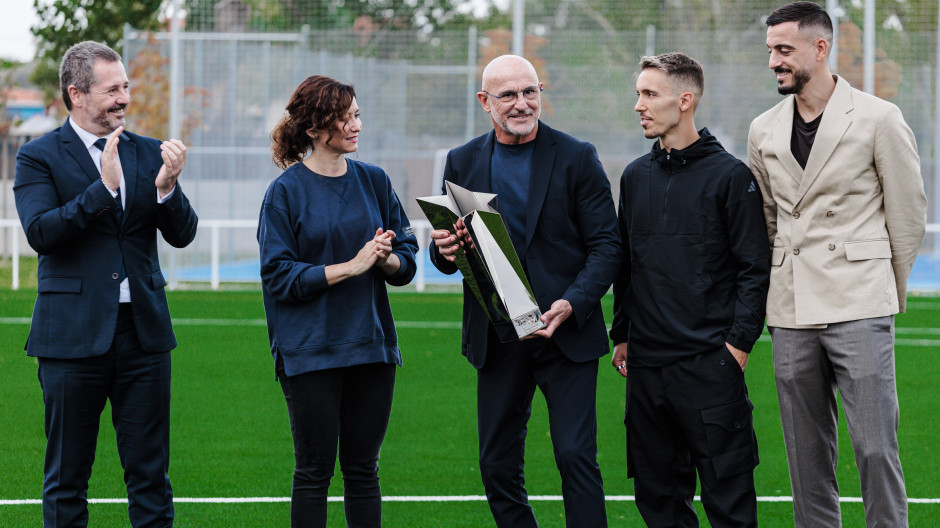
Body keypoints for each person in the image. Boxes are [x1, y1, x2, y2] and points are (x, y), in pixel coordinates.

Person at [747, 3, 928, 527]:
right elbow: (767, 218)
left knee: (875, 449)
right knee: (806, 459)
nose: (775, 61)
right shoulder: (763, 128)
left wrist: (882, 291)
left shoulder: (878, 117)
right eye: (770, 51)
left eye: (784, 50)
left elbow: (908, 214)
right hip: (791, 307)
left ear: (820, 48)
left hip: (860, 303)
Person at [429, 54, 621, 528]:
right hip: (498, 338)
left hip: (566, 336)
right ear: (485, 102)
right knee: (496, 464)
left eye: (530, 91)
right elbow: (446, 254)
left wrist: (571, 303)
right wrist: (444, 250)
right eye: (508, 95)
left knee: (576, 457)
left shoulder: (577, 156)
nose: (522, 104)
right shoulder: (462, 160)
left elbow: (607, 245)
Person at [13, 41, 198, 527]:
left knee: (151, 478)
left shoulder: (147, 150)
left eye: (127, 86)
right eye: (112, 89)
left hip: (144, 337)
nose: (124, 98)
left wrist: (167, 189)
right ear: (76, 94)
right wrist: (104, 189)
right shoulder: (37, 156)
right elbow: (41, 234)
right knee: (67, 479)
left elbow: (182, 235)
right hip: (71, 339)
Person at [609, 52, 769, 528]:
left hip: (709, 365)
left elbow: (754, 268)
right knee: (658, 502)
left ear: (685, 100)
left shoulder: (730, 176)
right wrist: (623, 333)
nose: (638, 104)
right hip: (646, 368)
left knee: (730, 502)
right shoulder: (635, 176)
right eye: (638, 93)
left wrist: (737, 345)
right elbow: (627, 263)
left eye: (649, 94)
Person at [258, 75, 417, 528]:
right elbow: (278, 276)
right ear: (313, 129)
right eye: (343, 117)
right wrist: (351, 266)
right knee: (313, 474)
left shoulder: (375, 180)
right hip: (310, 353)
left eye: (357, 114)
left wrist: (385, 261)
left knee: (364, 471)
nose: (355, 125)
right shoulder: (284, 193)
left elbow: (406, 262)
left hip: (371, 347)